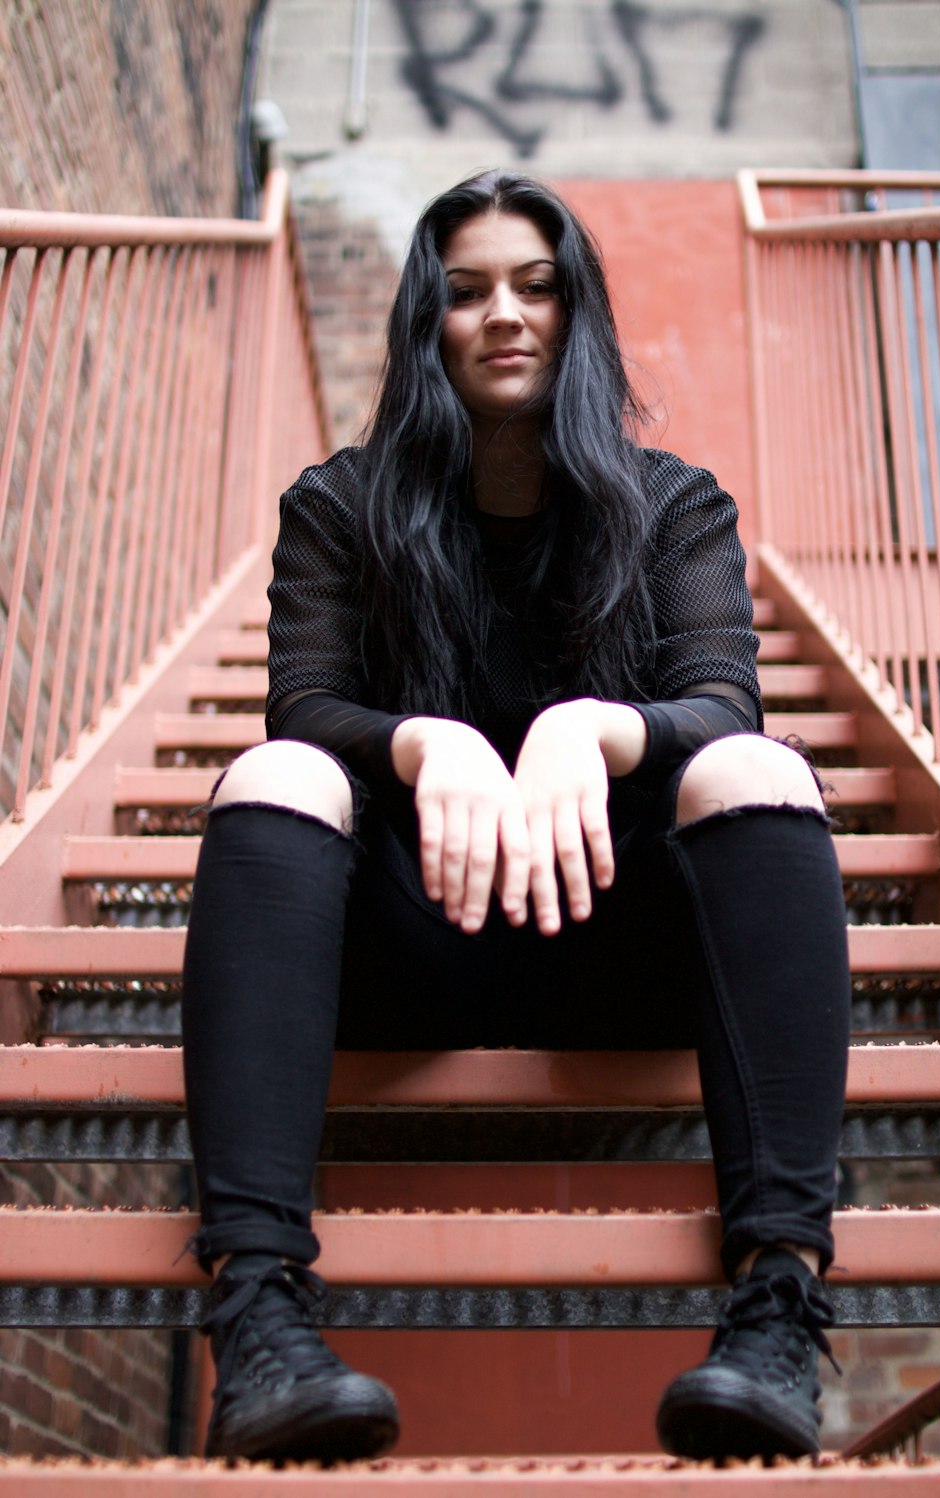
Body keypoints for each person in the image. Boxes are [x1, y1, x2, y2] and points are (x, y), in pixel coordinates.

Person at [181, 169, 850, 1467]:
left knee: (759, 774)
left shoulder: (673, 507)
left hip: (623, 947)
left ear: (577, 311)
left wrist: (587, 728)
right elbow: (304, 711)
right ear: (424, 320)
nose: (505, 313)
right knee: (273, 780)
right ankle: (257, 1313)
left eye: (537, 285)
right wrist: (427, 742)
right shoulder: (339, 508)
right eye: (467, 287)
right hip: (409, 949)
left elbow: (721, 706)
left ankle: (777, 1302)